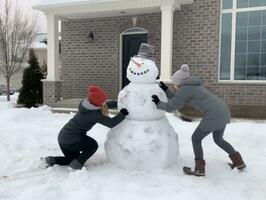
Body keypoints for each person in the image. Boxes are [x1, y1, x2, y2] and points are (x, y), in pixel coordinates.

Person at [152, 64, 246, 177]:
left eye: (174, 83)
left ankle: (199, 169)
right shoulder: (192, 85)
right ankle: (238, 162)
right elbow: (178, 98)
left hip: (213, 115)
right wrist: (166, 90)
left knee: (196, 139)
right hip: (223, 111)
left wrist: (158, 104)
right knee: (219, 139)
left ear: (179, 82)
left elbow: (172, 106)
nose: (174, 85)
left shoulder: (185, 89)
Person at [44, 85, 128, 170]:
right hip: (72, 139)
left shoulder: (87, 105)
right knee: (93, 145)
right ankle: (76, 166)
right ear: (98, 102)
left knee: (73, 159)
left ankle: (52, 160)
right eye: (103, 101)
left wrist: (117, 103)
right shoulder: (95, 114)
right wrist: (122, 114)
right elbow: (111, 123)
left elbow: (103, 105)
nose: (104, 102)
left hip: (63, 138)